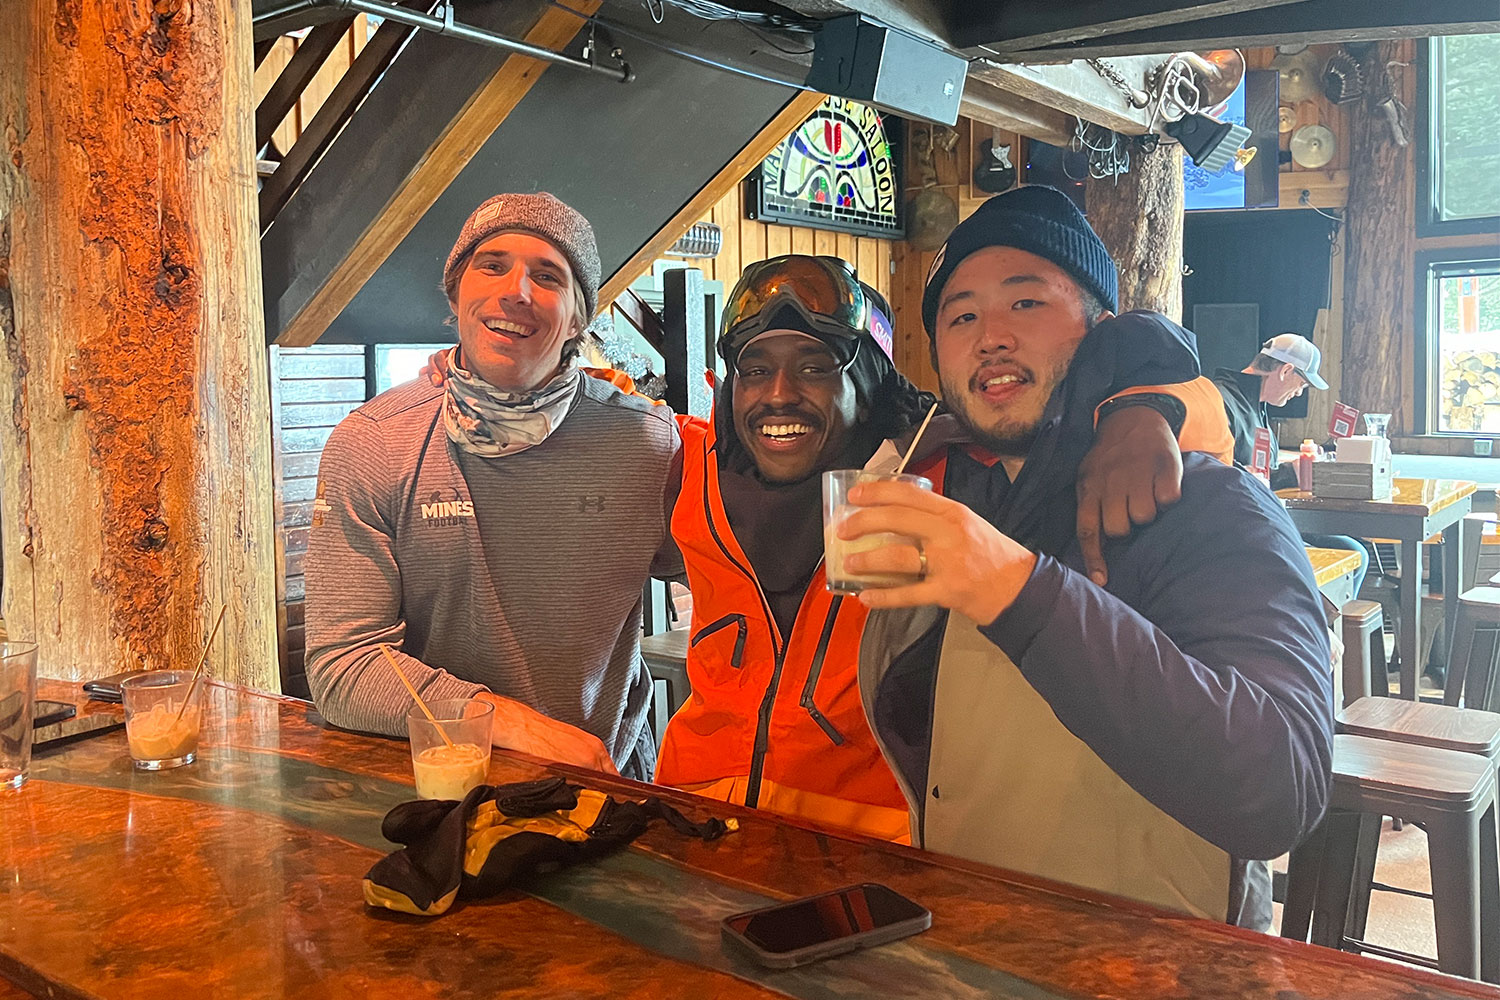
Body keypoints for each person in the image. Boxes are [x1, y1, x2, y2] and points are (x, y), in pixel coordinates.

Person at [845, 186, 1333, 929]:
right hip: (966, 946)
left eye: (1027, 304)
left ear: (1102, 328)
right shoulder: (951, 494)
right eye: (962, 315)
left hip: (1155, 967)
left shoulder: (1208, 504)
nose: (991, 337)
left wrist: (1018, 589)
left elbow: (1280, 790)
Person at [654, 252, 1234, 842]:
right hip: (691, 826)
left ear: (868, 383)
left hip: (867, 856)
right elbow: (582, 394)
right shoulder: (691, 465)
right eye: (754, 371)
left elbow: (1176, 426)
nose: (778, 394)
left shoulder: (941, 474)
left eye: (814, 367)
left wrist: (1143, 410)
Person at [305, 192, 681, 781]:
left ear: (580, 317)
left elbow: (738, 581)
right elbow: (342, 666)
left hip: (607, 783)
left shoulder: (648, 444)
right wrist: (507, 723)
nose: (516, 291)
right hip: (439, 789)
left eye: (548, 275)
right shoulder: (374, 442)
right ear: (455, 295)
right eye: (492, 265)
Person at [1212, 334, 1368, 597]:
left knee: (1353, 550)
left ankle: (1317, 631)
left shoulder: (1255, 405)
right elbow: (1225, 471)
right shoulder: (1221, 401)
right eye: (1302, 384)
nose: (1299, 393)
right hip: (1241, 530)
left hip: (1270, 518)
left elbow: (1259, 467)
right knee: (1353, 554)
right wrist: (1289, 473)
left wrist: (1293, 467)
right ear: (1285, 370)